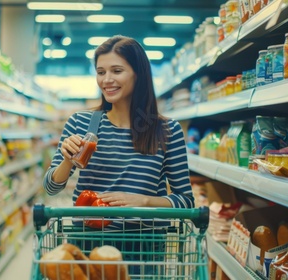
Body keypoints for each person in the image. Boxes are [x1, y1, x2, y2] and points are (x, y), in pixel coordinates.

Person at [42, 35, 196, 276]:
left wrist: (143, 201)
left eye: (116, 70)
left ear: (138, 74)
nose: (107, 80)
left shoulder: (167, 131)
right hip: (88, 245)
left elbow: (185, 201)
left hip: (145, 246)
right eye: (101, 72)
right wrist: (66, 159)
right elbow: (50, 187)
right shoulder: (80, 123)